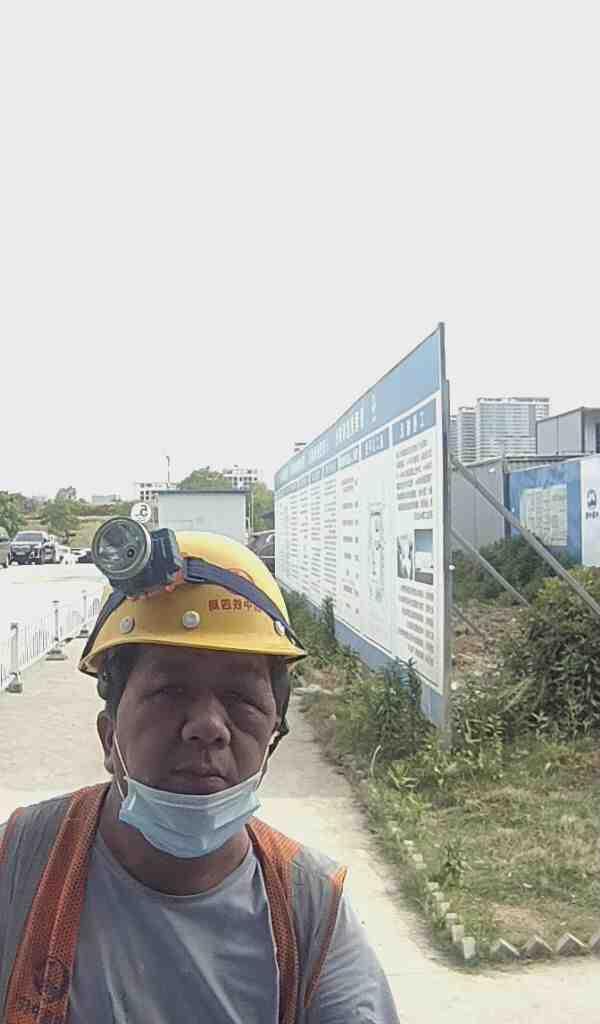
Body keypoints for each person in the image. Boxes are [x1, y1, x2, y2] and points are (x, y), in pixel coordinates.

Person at [0, 531, 400, 1023]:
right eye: (169, 691)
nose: (208, 727)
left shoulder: (312, 912)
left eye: (241, 698)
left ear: (274, 736)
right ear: (108, 737)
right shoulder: (16, 865)